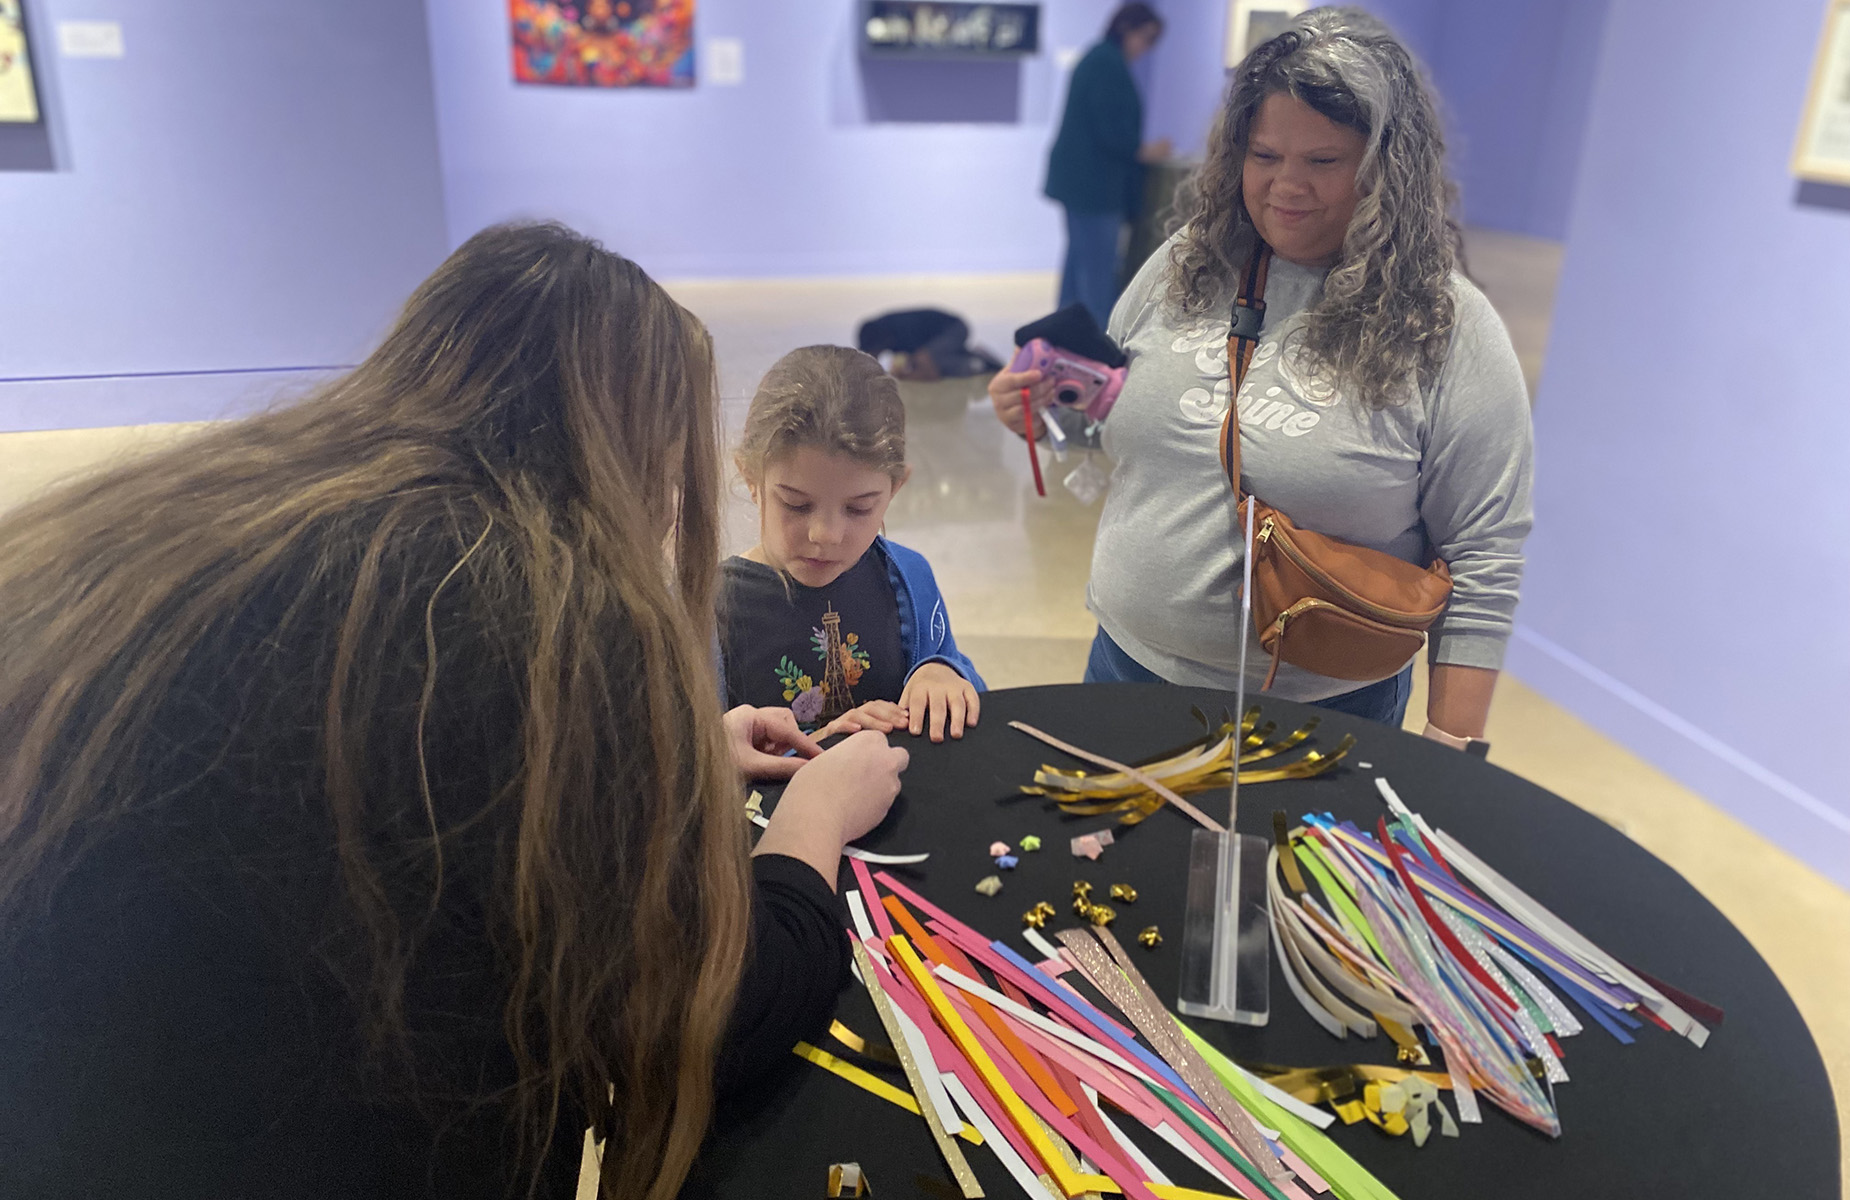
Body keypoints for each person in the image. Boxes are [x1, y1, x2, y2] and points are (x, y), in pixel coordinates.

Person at [0, 222, 908, 1200]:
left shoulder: (155, 533)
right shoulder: (551, 613)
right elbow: (704, 1016)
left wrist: (655, 768)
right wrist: (814, 817)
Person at [992, 8, 1534, 746]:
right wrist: (1043, 409)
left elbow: (1482, 556)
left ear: (1387, 168)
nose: (1286, 185)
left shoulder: (1446, 324)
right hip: (1125, 674)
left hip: (1321, 720)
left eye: (1323, 161)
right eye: (1264, 154)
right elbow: (1109, 414)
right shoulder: (1188, 262)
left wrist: (1448, 758)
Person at [722, 345, 984, 744]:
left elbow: (967, 688)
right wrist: (821, 745)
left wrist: (942, 672)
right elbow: (696, 758)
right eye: (796, 504)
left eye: (859, 508)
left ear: (894, 488)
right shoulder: (711, 607)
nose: (826, 534)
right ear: (751, 479)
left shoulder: (909, 579)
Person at [1044, 3, 1172, 329]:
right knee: (1096, 276)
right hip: (1094, 186)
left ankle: (1065, 340)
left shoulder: (1100, 58)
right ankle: (1096, 347)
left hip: (1083, 182)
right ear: (1126, 28)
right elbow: (1111, 130)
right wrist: (1144, 151)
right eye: (1146, 37)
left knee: (1079, 269)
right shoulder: (1106, 64)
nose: (1147, 48)